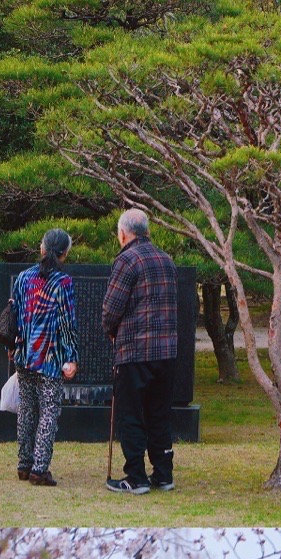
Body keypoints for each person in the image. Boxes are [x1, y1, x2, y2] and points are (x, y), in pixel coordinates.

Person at [101, 208, 179, 496]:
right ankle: (163, 473)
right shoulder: (166, 259)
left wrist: (109, 330)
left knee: (130, 413)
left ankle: (135, 477)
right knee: (159, 413)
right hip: (167, 351)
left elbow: (112, 307)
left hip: (135, 350)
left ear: (123, 233)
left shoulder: (126, 260)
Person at [9, 228, 80, 488]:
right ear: (65, 253)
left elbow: (15, 315)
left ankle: (24, 465)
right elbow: (67, 323)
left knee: (26, 408)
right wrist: (71, 357)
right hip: (50, 357)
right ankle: (40, 469)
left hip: (24, 353)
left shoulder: (24, 278)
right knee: (49, 411)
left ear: (41, 248)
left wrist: (13, 345)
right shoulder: (63, 282)